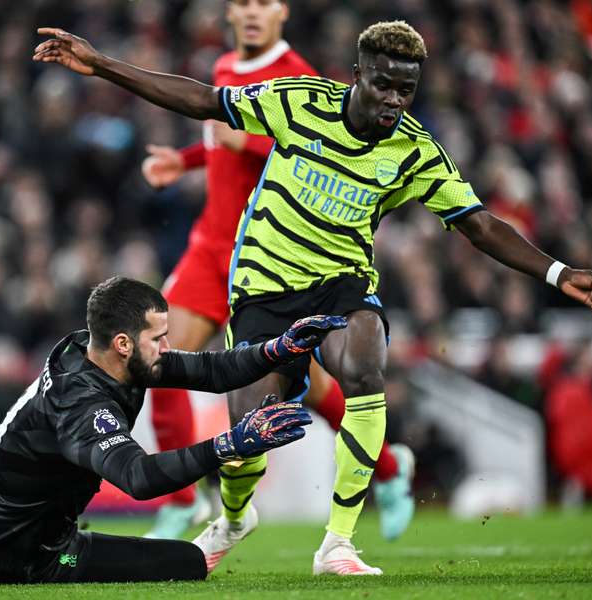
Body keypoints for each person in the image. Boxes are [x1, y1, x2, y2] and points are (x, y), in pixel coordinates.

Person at [32, 20, 592, 575]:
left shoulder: (416, 151)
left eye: (407, 90)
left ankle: (338, 541)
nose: (395, 100)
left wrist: (558, 273)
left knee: (366, 366)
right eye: (385, 85)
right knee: (248, 439)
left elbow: (478, 224)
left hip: (343, 284)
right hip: (263, 287)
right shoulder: (301, 102)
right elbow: (201, 100)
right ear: (358, 74)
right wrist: (103, 64)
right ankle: (236, 518)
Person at [0, 276, 344, 584]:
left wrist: (279, 349)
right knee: (187, 563)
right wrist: (230, 444)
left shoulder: (93, 349)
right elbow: (139, 478)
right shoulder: (84, 405)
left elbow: (211, 369)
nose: (167, 348)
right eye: (158, 338)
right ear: (123, 342)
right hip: (21, 557)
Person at [140, 0, 413, 541]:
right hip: (213, 246)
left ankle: (389, 468)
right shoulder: (222, 67)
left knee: (308, 391)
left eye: (262, 3)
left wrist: (251, 142)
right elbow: (224, 129)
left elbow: (321, 149)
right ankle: (180, 501)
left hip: (277, 259)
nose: (250, 13)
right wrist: (188, 159)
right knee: (157, 358)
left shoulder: (301, 78)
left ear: (282, 11)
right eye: (241, 3)